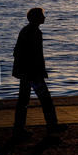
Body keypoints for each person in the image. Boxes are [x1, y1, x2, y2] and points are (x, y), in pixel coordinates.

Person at [12, 7, 67, 140]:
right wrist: (36, 73)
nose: (44, 17)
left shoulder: (26, 30)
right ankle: (52, 126)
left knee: (23, 101)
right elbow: (34, 55)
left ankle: (19, 129)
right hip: (33, 75)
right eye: (42, 15)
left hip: (26, 74)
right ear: (36, 17)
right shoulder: (34, 32)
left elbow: (17, 52)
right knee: (45, 100)